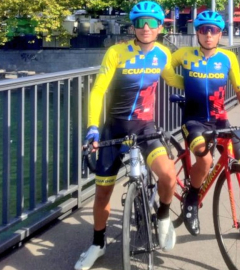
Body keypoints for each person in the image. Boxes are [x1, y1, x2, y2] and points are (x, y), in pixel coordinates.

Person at [73, 2, 183, 270]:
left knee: (168, 175)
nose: (146, 27)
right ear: (133, 26)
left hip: (145, 128)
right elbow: (98, 90)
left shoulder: (163, 54)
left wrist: (198, 85)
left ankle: (164, 216)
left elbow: (172, 79)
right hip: (115, 127)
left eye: (151, 22)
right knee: (102, 193)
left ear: (159, 27)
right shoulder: (116, 53)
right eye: (141, 22)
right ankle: (98, 245)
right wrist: (92, 128)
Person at [170, 10, 240, 241]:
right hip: (194, 121)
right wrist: (182, 83)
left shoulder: (228, 58)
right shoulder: (185, 54)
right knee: (205, 160)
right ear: (197, 33)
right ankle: (191, 200)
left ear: (219, 34)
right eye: (204, 30)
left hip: (220, 120)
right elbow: (163, 67)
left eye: (213, 31)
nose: (208, 35)